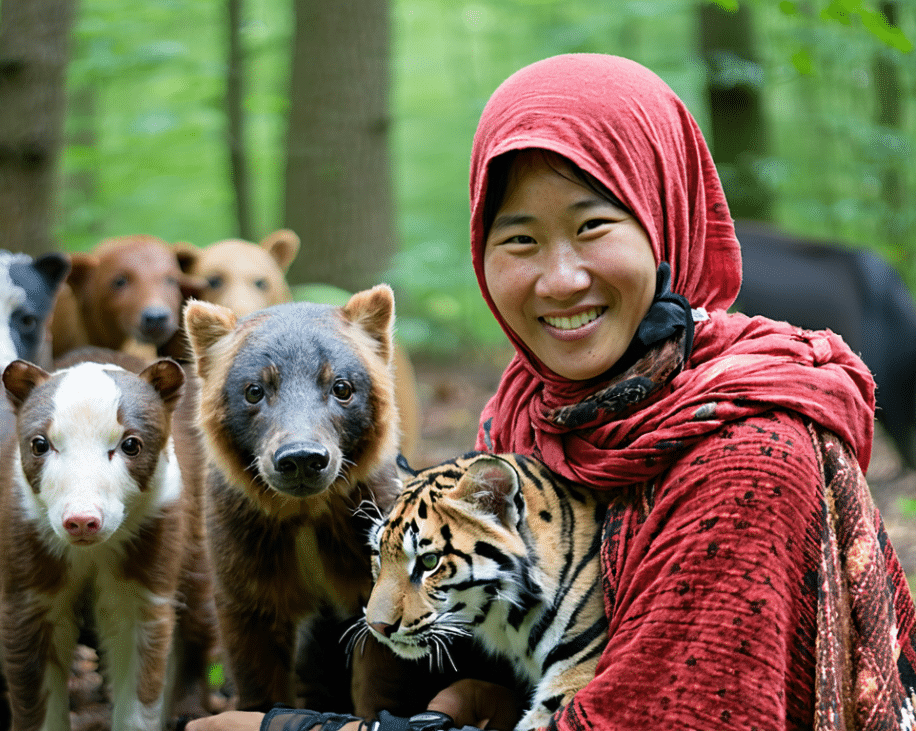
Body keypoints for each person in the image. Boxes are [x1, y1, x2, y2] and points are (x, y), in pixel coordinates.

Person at [188, 53, 916, 731]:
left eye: (594, 226)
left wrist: (295, 727)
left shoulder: (749, 454)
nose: (559, 277)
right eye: (520, 239)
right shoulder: (525, 416)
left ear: (665, 222)